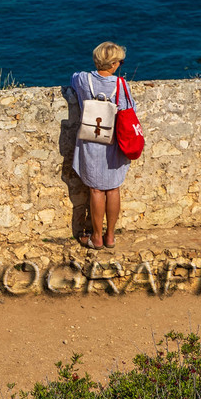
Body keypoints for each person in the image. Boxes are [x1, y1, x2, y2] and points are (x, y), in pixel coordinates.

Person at [70, 42, 134, 249]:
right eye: (120, 62)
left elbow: (71, 78)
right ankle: (110, 237)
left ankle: (96, 237)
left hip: (91, 140)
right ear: (114, 64)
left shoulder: (82, 79)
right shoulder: (121, 85)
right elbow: (129, 110)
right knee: (113, 188)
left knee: (96, 190)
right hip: (114, 142)